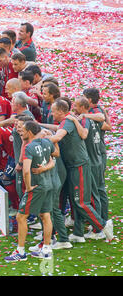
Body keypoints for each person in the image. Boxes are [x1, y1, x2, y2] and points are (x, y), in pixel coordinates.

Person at [47, 99, 113, 242]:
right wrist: (38, 126)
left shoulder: (69, 121)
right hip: (74, 166)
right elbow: (57, 129)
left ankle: (102, 225)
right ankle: (78, 233)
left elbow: (58, 136)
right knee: (75, 200)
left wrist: (39, 141)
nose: (51, 114)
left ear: (60, 111)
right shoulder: (67, 121)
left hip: (80, 165)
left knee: (81, 202)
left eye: (53, 111)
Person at [4, 121, 57, 261]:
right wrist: (44, 168)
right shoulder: (46, 142)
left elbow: (26, 171)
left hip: (36, 186)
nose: (21, 132)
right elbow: (54, 158)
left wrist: (28, 187)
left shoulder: (29, 147)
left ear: (30, 132)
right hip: (48, 183)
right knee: (45, 216)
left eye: (24, 130)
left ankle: (20, 252)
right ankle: (46, 249)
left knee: (21, 217)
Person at [70, 96, 107, 239]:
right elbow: (103, 120)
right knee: (96, 192)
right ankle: (98, 224)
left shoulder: (85, 120)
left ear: (83, 107)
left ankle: (99, 229)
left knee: (93, 195)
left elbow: (84, 135)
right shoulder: (93, 118)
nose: (74, 108)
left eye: (77, 106)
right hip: (97, 158)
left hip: (90, 162)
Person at [82, 88, 112, 223]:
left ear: (88, 100)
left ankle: (102, 219)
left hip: (98, 152)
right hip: (96, 152)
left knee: (98, 187)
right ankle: (98, 217)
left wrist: (85, 116)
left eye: (83, 97)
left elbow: (106, 125)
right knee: (96, 187)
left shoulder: (96, 111)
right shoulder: (96, 110)